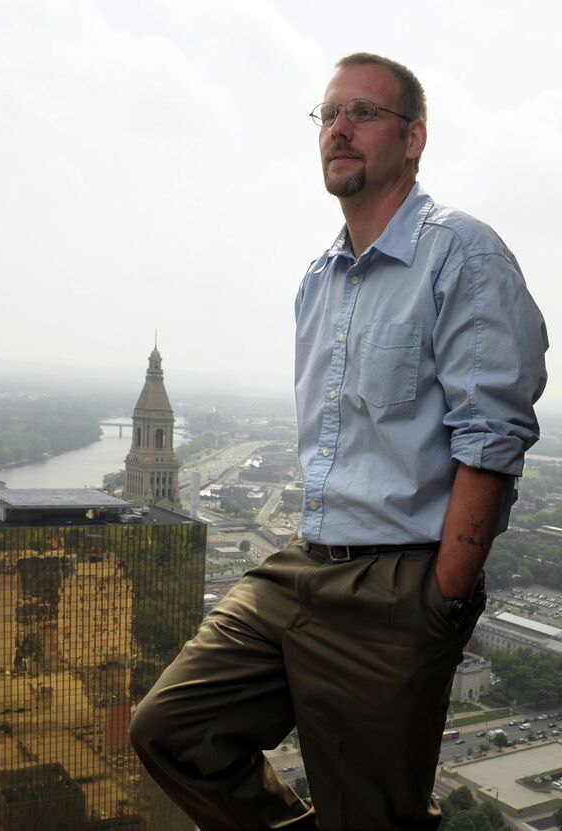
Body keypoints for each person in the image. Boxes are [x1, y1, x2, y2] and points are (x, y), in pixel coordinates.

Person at [130, 53, 548, 830]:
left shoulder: (462, 253)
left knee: (370, 815)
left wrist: (443, 594)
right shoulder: (318, 280)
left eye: (362, 112)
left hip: (396, 584)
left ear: (413, 137)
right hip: (302, 565)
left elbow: (492, 435)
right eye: (327, 115)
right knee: (170, 729)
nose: (339, 129)